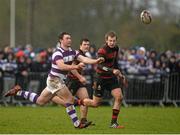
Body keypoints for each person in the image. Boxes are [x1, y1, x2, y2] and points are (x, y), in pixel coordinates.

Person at [4, 32, 104, 129]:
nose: (70, 40)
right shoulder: (57, 52)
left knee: (40, 101)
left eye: (70, 38)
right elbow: (61, 66)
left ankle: (18, 92)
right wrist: (76, 66)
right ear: (61, 40)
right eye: (67, 38)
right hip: (54, 80)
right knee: (69, 100)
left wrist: (96, 61)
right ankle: (77, 124)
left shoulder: (73, 52)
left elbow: (84, 59)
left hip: (56, 81)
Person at [81, 31, 127, 128]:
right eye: (110, 41)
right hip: (101, 78)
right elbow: (100, 65)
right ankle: (80, 102)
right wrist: (112, 70)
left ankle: (113, 123)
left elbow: (115, 62)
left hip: (111, 78)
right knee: (95, 104)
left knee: (119, 97)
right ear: (106, 40)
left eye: (114, 41)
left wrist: (120, 74)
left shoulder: (116, 48)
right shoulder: (102, 50)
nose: (112, 43)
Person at [51, 38, 94, 125]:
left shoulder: (84, 54)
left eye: (88, 45)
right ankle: (51, 97)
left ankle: (83, 120)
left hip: (78, 82)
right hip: (71, 80)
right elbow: (73, 67)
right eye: (84, 44)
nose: (86, 46)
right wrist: (80, 77)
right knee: (69, 102)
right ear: (80, 45)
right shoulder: (77, 54)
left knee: (85, 99)